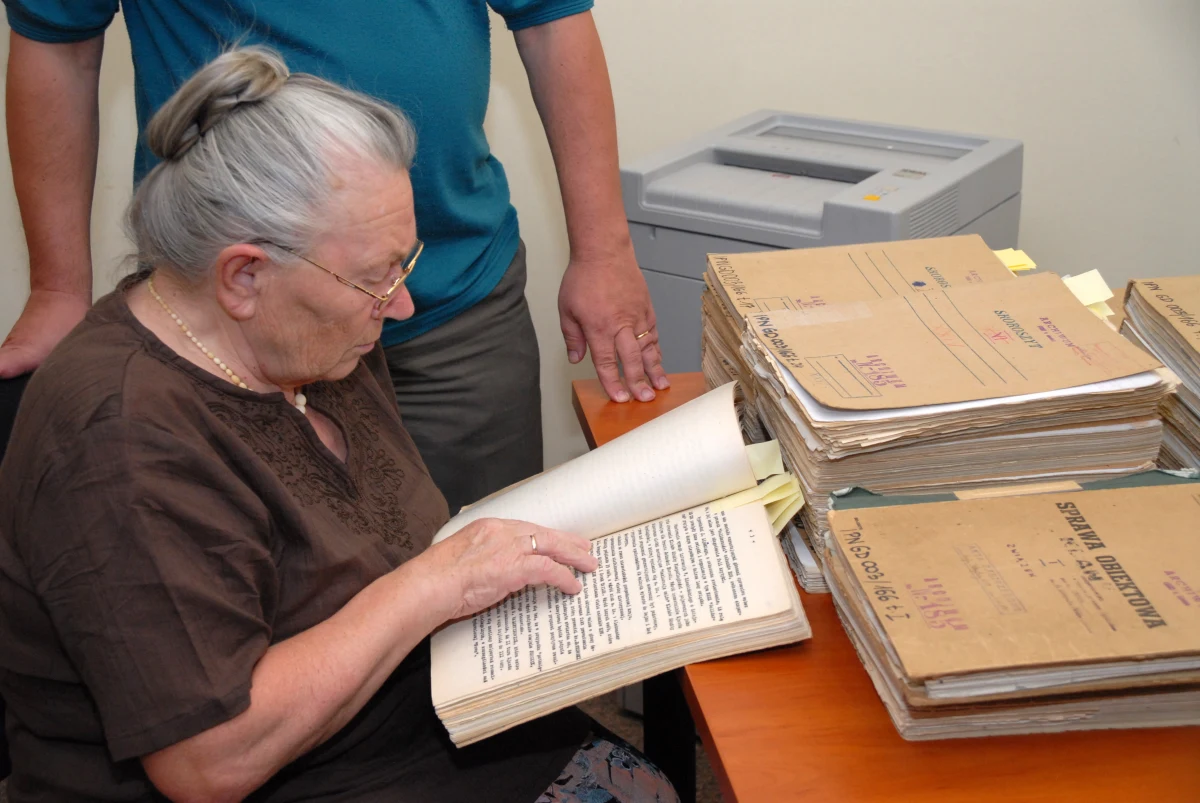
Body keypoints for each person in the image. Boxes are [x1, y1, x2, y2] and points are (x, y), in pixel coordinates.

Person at [0, 48, 678, 802]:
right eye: (373, 277)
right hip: (272, 772)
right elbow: (208, 762)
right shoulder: (120, 438)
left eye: (403, 263)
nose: (402, 306)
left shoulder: (305, 340)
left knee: (643, 781)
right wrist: (433, 586)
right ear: (243, 276)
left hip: (389, 716)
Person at [1, 0, 670, 517]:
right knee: (270, 602)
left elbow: (552, 21)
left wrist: (604, 250)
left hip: (454, 303)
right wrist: (59, 290)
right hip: (242, 321)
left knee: (490, 583)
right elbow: (58, 46)